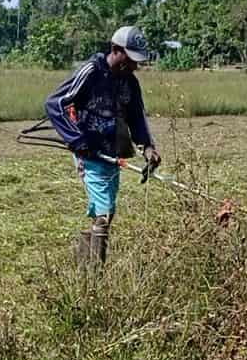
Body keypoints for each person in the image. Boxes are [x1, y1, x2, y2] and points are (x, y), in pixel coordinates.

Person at [44, 25, 162, 264]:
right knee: (103, 214)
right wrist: (77, 140)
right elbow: (55, 103)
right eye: (129, 60)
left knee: (108, 213)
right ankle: (94, 278)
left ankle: (86, 265)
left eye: (136, 62)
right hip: (89, 153)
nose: (133, 66)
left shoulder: (130, 83)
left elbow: (137, 118)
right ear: (115, 49)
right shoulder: (91, 71)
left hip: (112, 153)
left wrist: (147, 147)